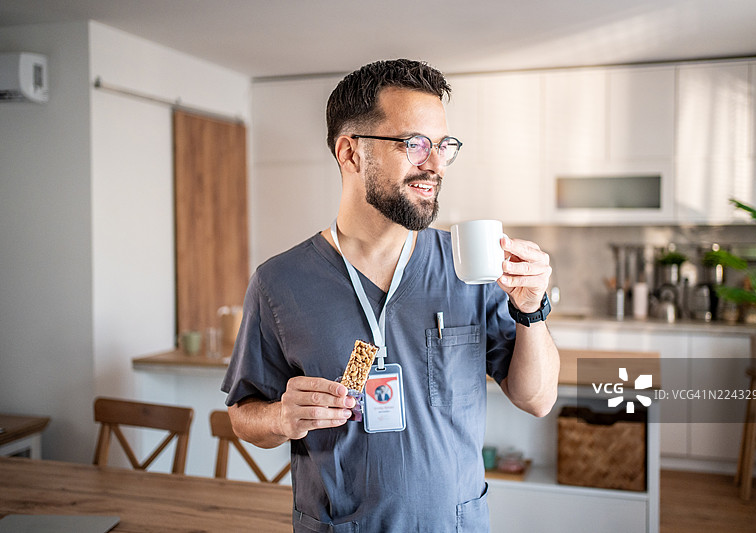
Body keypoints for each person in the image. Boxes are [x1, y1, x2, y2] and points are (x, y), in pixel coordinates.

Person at [222, 58, 560, 532]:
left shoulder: (467, 267)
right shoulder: (279, 282)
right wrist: (281, 417)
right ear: (351, 152)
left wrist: (531, 310)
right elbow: (242, 416)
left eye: (444, 146)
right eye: (415, 144)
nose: (436, 164)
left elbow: (537, 399)